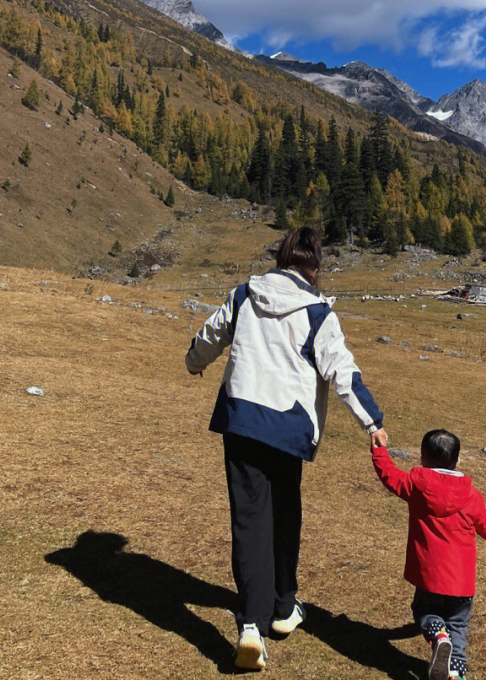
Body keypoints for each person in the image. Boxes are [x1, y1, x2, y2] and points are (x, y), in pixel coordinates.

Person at [185, 226, 387, 672]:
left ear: (280, 258)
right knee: (284, 512)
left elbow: (210, 336)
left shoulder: (244, 295)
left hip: (242, 419)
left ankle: (251, 627)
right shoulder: (317, 312)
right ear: (314, 267)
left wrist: (193, 362)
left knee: (249, 519)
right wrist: (371, 422)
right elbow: (342, 372)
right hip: (288, 427)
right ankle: (281, 607)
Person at [371, 428, 486, 680]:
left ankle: (436, 632)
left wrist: (379, 450)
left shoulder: (416, 485)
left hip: (429, 578)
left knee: (423, 611)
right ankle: (455, 673)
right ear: (456, 460)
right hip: (462, 583)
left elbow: (389, 475)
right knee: (458, 626)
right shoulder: (471, 496)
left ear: (423, 457)